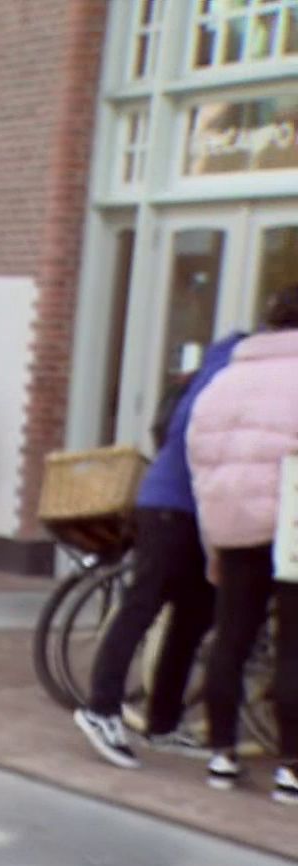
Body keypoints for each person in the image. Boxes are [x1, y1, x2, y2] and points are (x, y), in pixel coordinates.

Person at [69, 329, 248, 769]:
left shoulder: (225, 364)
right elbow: (195, 439)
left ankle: (163, 721)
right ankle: (101, 710)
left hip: (192, 509)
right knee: (142, 607)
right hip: (175, 505)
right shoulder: (232, 373)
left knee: (192, 617)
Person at [186, 284, 298, 803]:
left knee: (231, 638)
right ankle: (291, 769)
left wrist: (214, 535)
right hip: (291, 528)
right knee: (294, 647)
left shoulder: (224, 381)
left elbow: (198, 458)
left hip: (233, 526)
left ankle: (222, 753)